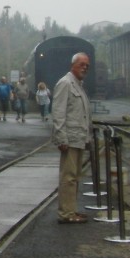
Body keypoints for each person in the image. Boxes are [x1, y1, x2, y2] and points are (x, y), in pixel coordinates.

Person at [52, 53, 93, 223]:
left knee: (74, 177)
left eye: (87, 66)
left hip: (79, 138)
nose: (84, 67)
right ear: (72, 65)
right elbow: (58, 112)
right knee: (68, 177)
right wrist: (61, 138)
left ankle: (71, 210)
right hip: (70, 139)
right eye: (81, 64)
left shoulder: (78, 85)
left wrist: (87, 137)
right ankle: (66, 214)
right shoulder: (65, 83)